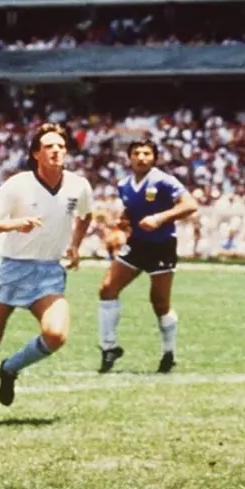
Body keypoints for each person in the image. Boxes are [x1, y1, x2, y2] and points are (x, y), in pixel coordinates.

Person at [0, 124, 93, 423]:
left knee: (56, 334)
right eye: (48, 146)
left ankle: (10, 368)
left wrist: (75, 245)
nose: (56, 151)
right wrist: (15, 224)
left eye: (60, 146)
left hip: (49, 271)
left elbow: (86, 214)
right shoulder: (18, 184)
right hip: (13, 268)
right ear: (36, 153)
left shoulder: (78, 186)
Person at [96, 140, 198, 374]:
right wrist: (123, 222)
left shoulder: (164, 181)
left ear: (154, 158)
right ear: (129, 158)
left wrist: (159, 218)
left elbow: (190, 205)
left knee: (159, 303)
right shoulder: (124, 185)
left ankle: (169, 353)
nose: (141, 157)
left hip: (162, 246)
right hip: (137, 245)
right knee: (107, 289)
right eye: (136, 153)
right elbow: (130, 211)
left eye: (147, 153)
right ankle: (109, 347)